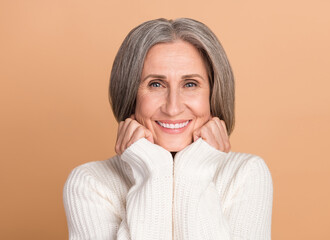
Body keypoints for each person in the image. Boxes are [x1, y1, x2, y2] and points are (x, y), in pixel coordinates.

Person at [63, 18, 273, 240]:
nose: (173, 108)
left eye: (190, 84)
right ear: (130, 94)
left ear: (213, 95)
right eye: (156, 84)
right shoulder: (90, 183)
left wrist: (194, 173)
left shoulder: (246, 174)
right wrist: (152, 171)